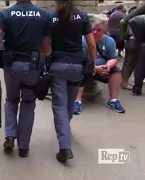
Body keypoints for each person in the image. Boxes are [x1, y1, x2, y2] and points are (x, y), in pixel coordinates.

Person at [0, 0, 50, 157]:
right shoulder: (44, 15)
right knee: (28, 103)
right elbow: (46, 44)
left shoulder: (6, 14)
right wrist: (43, 59)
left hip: (12, 66)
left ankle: (9, 136)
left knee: (11, 100)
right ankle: (23, 146)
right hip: (32, 66)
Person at [49, 0, 96, 162]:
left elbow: (46, 43)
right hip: (77, 66)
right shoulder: (82, 17)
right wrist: (91, 62)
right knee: (69, 102)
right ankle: (66, 130)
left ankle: (64, 147)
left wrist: (46, 60)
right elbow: (91, 44)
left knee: (59, 105)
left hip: (58, 65)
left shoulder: (52, 17)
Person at [74, 18, 126, 114]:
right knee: (79, 70)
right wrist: (95, 69)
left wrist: (108, 66)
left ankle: (113, 100)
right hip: (86, 68)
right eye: (93, 29)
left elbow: (113, 58)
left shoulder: (110, 41)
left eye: (98, 30)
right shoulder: (81, 41)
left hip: (102, 68)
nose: (94, 32)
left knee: (116, 72)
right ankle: (77, 101)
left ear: (104, 31)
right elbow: (78, 60)